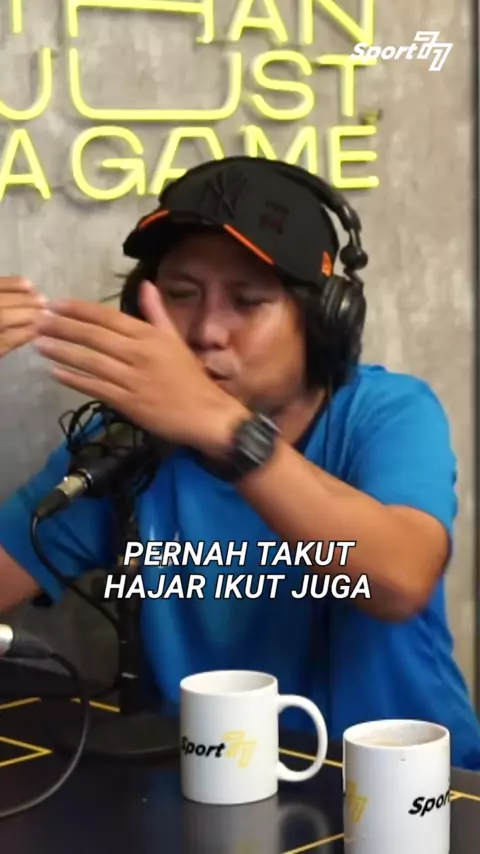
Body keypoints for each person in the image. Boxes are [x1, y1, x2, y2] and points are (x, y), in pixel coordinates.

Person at [0, 156, 479, 769]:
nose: (206, 331)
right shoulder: (123, 445)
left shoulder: (386, 414)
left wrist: (223, 428)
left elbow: (399, 579)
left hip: (404, 790)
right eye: (180, 295)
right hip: (205, 782)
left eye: (248, 301)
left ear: (323, 322)